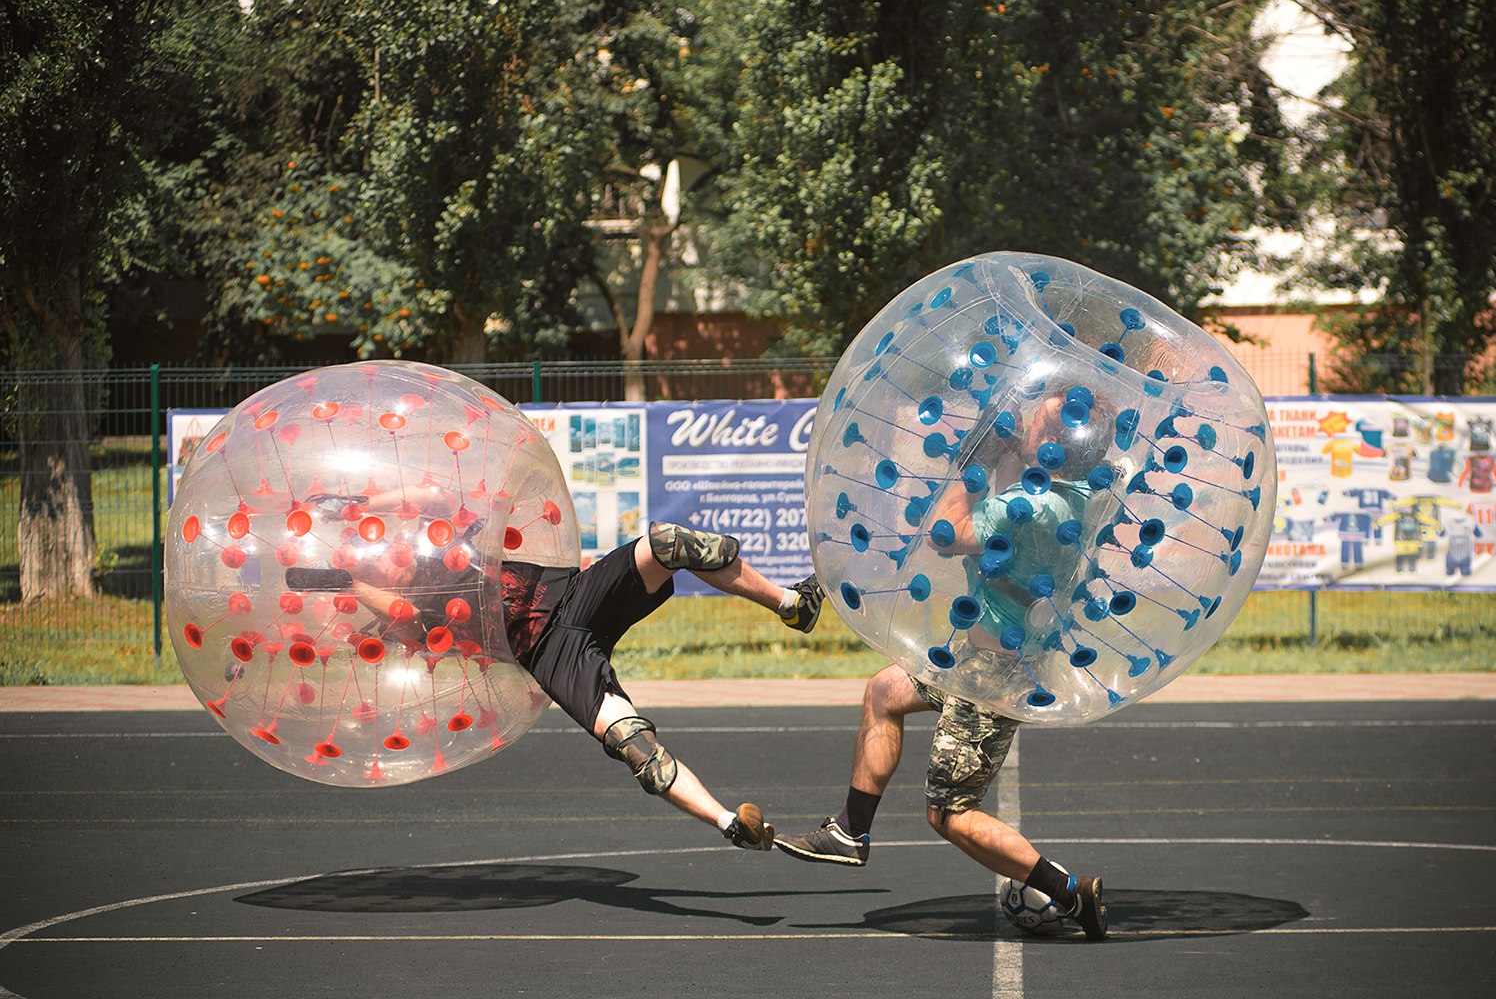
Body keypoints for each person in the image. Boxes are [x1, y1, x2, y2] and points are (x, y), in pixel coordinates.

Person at [290, 496, 823, 852]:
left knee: (670, 542)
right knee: (633, 745)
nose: (390, 557)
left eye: (385, 550)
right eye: (375, 563)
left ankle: (792, 605)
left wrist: (358, 507)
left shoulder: (444, 542)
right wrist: (348, 580)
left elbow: (429, 493)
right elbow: (401, 613)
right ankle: (730, 822)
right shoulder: (406, 611)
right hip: (549, 653)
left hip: (576, 595)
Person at [775, 390, 1111, 940]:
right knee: (885, 691)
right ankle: (850, 833)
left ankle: (1072, 895)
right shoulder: (1076, 496)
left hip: (990, 673)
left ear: (1056, 444)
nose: (1026, 424)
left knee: (950, 812)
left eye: (1041, 421)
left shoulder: (1037, 505)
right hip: (978, 655)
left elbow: (949, 534)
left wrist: (972, 461)